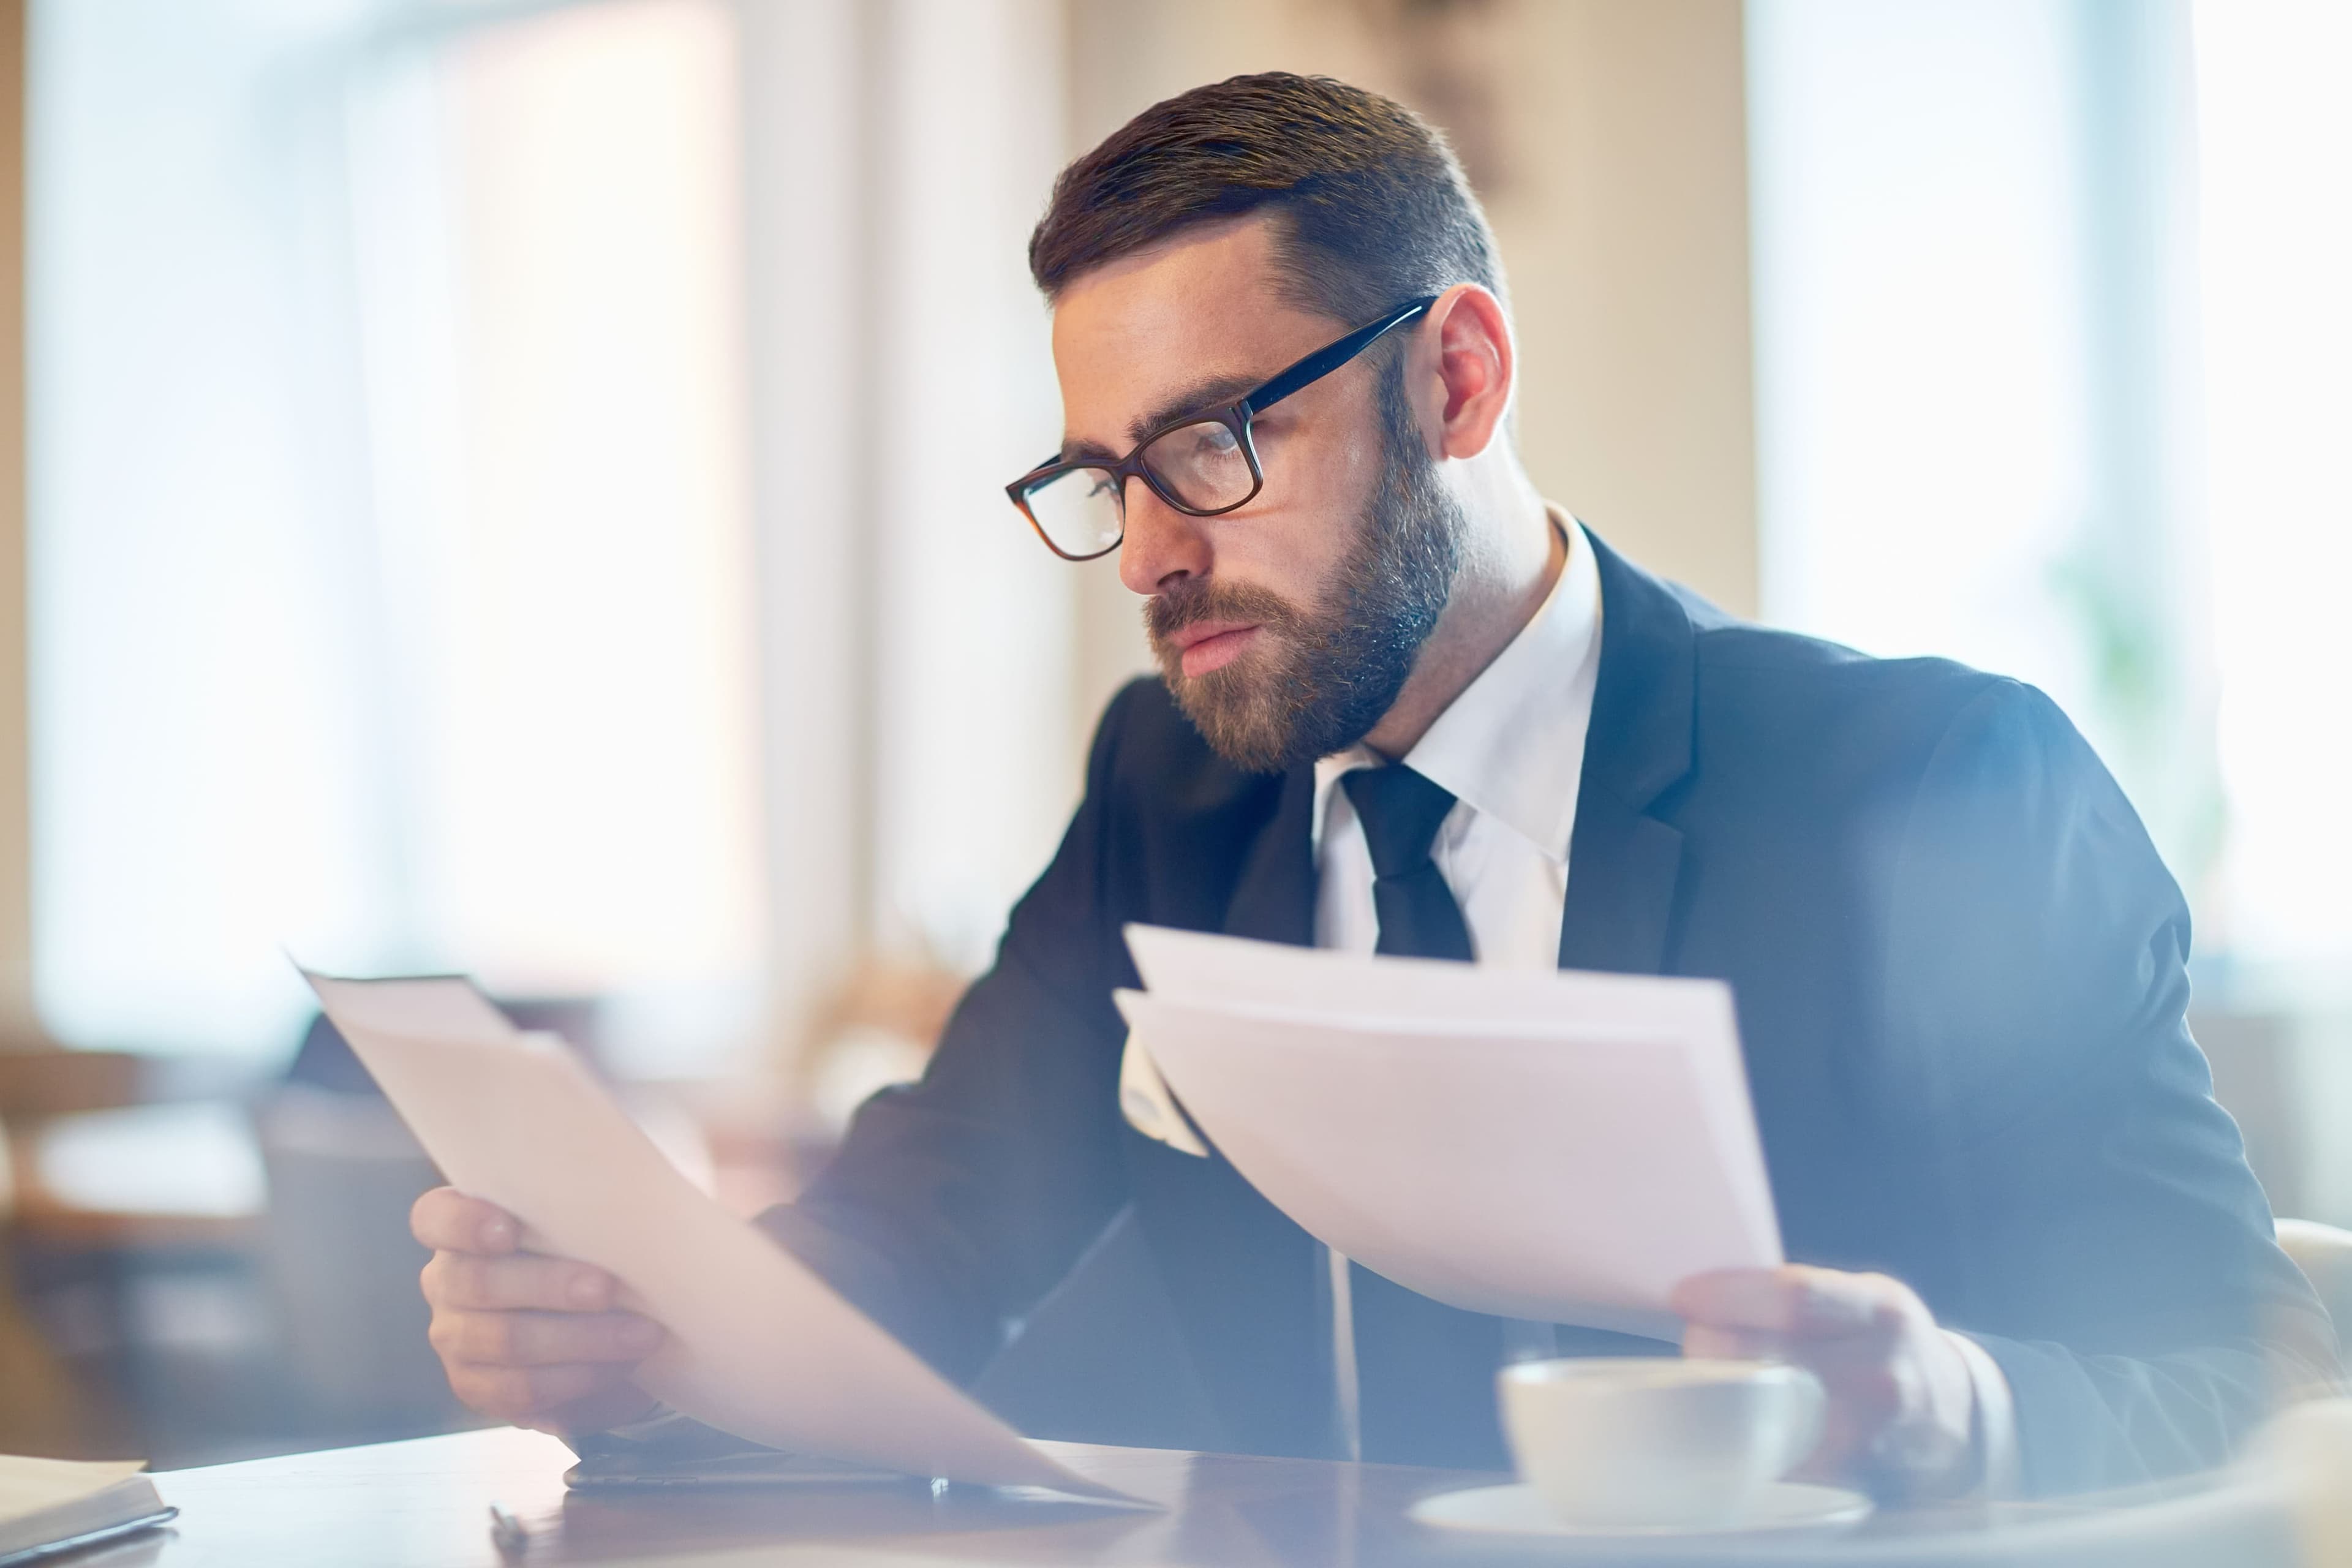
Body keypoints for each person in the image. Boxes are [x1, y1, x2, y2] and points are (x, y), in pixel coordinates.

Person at [409, 72, 2339, 1499]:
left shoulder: (1932, 787)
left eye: (1217, 444)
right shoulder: (1172, 784)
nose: (1154, 554)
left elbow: (2224, 1370)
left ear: (1461, 382)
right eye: (1106, 478)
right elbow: (929, 1233)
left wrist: (1950, 1404)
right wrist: (649, 1334)